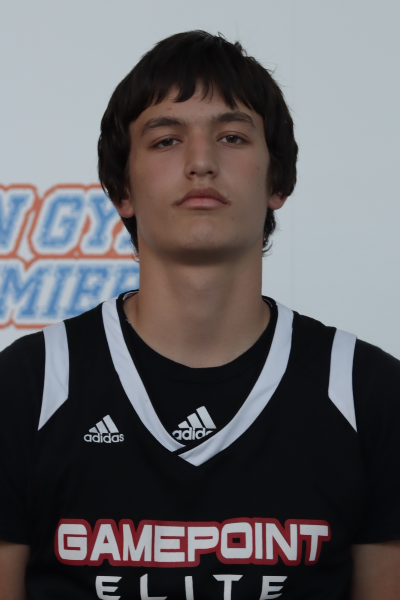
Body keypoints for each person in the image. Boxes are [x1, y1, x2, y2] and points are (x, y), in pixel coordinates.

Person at [0, 30, 399, 600]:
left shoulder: (368, 393)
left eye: (232, 137)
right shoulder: (27, 387)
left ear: (278, 180)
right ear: (121, 189)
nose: (202, 163)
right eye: (166, 140)